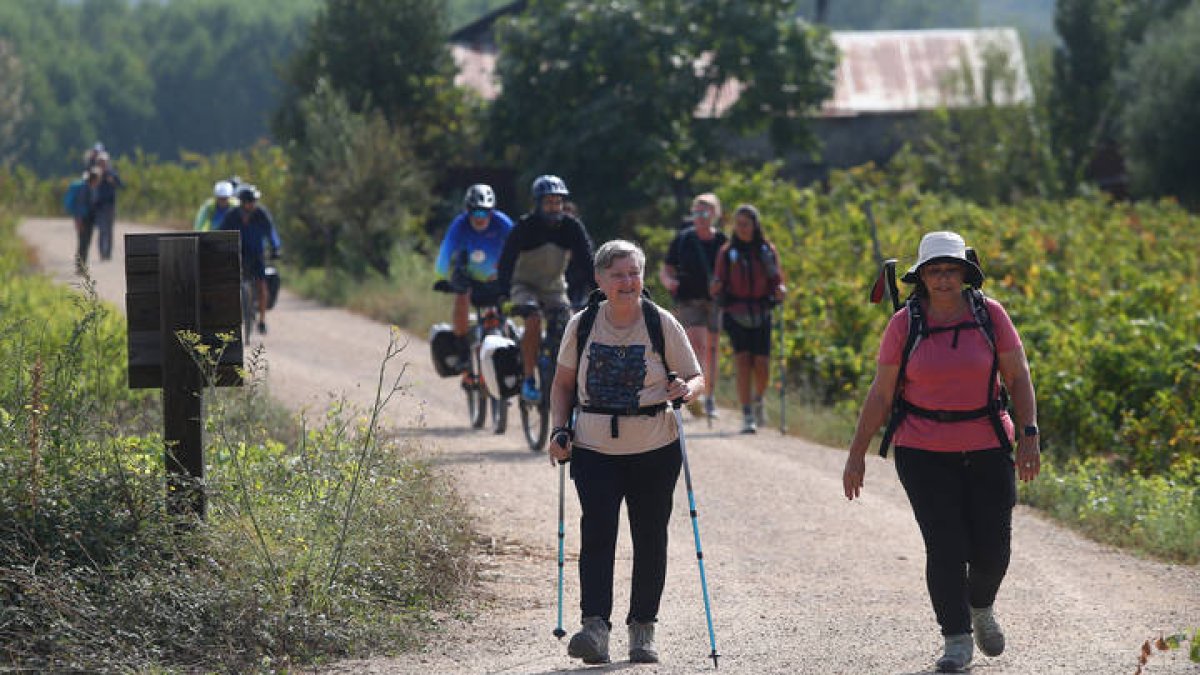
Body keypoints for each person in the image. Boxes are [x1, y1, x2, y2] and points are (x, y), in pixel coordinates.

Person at [841, 231, 1041, 673]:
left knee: (993, 551)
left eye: (952, 270)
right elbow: (881, 393)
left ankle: (981, 605)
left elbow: (1019, 375)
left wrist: (1029, 433)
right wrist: (857, 453)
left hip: (988, 445)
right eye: (935, 271)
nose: (944, 279)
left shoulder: (990, 315)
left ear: (966, 274)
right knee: (946, 545)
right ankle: (956, 640)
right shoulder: (904, 324)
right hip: (923, 451)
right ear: (922, 277)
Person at [548, 239, 704, 665]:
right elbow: (562, 385)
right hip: (595, 447)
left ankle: (643, 629)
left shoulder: (660, 322)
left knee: (650, 537)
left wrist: (686, 390)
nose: (627, 282)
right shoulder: (581, 325)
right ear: (599, 279)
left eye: (634, 273)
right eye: (617, 274)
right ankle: (595, 627)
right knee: (598, 534)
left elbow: (695, 376)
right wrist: (558, 431)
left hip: (656, 446)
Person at [497, 174, 594, 403]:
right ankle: (529, 378)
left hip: (554, 288)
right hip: (524, 285)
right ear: (538, 203)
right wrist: (503, 294)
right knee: (532, 318)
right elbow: (506, 262)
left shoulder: (572, 227)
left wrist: (600, 291)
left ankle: (570, 381)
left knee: (570, 327)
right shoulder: (524, 227)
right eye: (549, 202)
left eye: (558, 202)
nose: (554, 207)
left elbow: (588, 260)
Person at [710, 204, 785, 434]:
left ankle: (758, 398)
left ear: (755, 225)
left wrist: (781, 289)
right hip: (735, 311)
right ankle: (747, 414)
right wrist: (715, 287)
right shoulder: (727, 252)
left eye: (745, 224)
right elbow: (718, 282)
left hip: (762, 312)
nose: (741, 228)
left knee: (762, 364)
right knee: (743, 361)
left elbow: (776, 280)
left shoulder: (766, 250)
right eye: (738, 224)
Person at [433, 184, 515, 376]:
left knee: (509, 306)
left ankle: (511, 345)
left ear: (491, 212)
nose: (480, 218)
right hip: (468, 275)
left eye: (484, 213)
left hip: (498, 276)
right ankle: (463, 350)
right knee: (461, 296)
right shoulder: (459, 225)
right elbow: (446, 251)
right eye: (475, 213)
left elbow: (519, 246)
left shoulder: (503, 223)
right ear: (468, 212)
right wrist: (440, 278)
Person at [659, 193, 727, 420]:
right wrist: (670, 282)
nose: (700, 216)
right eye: (696, 212)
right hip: (688, 300)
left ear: (715, 215)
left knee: (712, 350)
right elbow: (667, 268)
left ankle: (710, 397)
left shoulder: (722, 242)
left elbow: (731, 271)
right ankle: (695, 394)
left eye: (705, 212)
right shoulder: (684, 239)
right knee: (697, 345)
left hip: (715, 302)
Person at [218, 184, 282, 335]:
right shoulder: (232, 215)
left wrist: (276, 248)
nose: (252, 203)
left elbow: (271, 233)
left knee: (262, 286)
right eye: (250, 201)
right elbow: (221, 233)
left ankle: (262, 320)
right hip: (237, 255)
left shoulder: (261, 214)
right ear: (242, 202)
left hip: (256, 255)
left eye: (254, 200)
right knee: (232, 286)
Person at [65, 166, 103, 272]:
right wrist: (78, 221)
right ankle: (80, 267)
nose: (99, 180)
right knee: (83, 243)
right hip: (83, 220)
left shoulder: (92, 188)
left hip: (89, 220)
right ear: (94, 178)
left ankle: (82, 266)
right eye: (98, 178)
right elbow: (80, 206)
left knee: (86, 243)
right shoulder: (85, 189)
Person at [90, 152, 122, 262]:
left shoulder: (111, 173)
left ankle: (108, 254)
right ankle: (102, 254)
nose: (102, 164)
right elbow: (89, 186)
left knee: (109, 230)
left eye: (104, 162)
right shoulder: (95, 174)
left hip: (110, 206)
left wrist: (112, 181)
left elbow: (120, 185)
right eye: (100, 162)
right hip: (99, 207)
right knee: (102, 230)